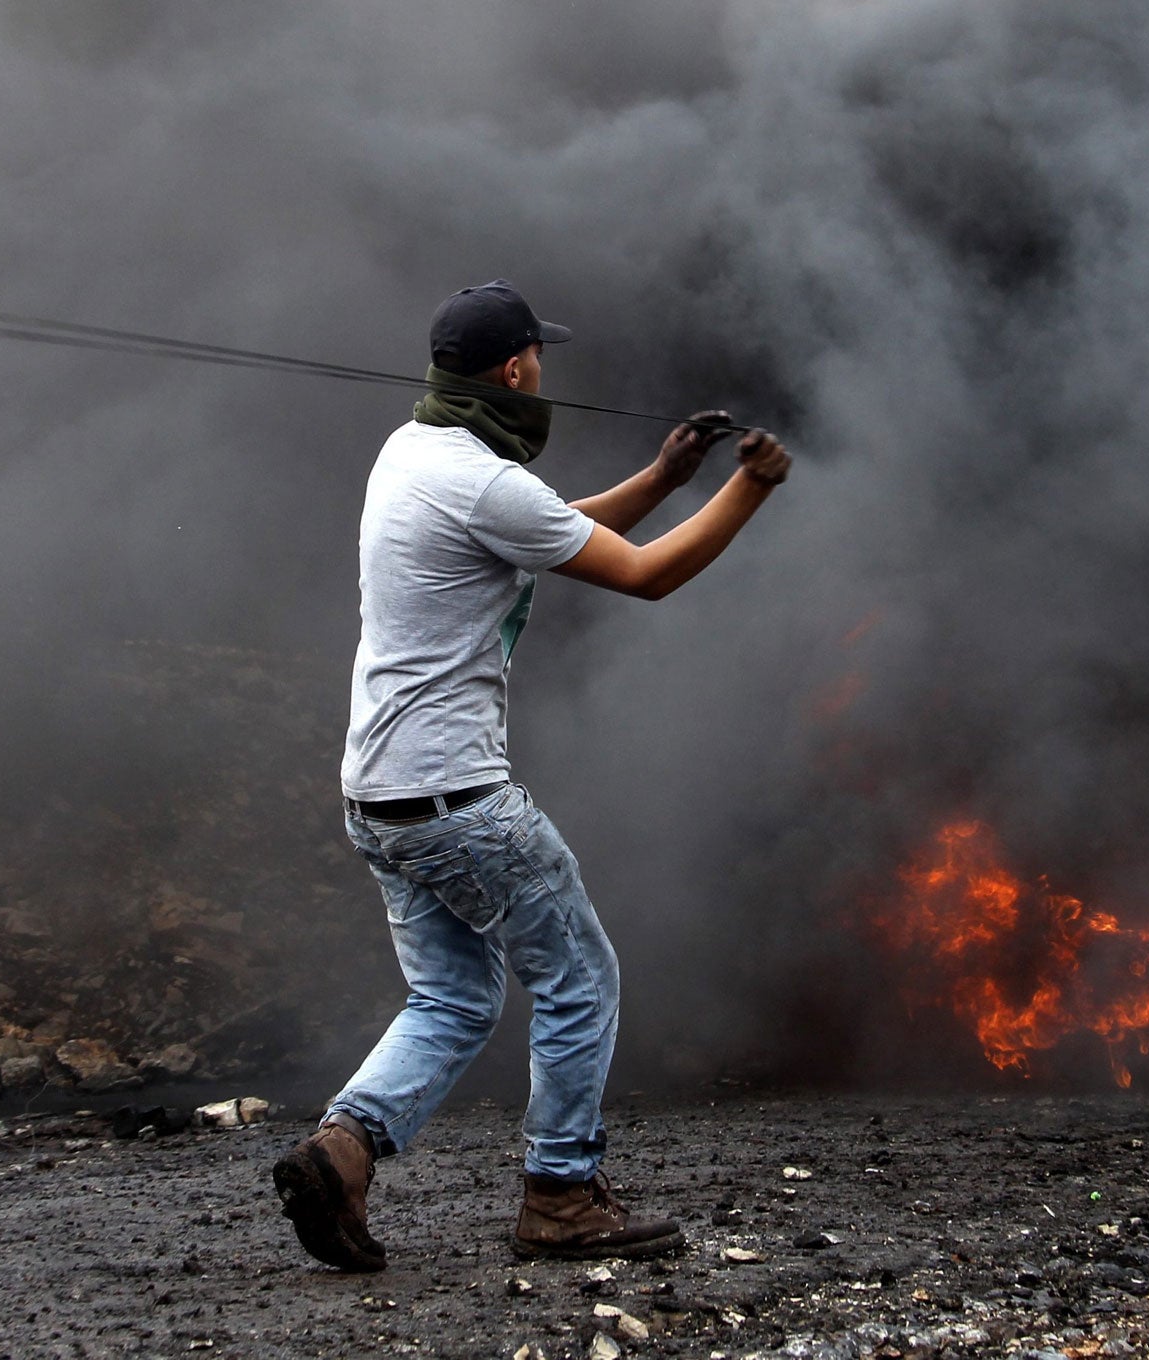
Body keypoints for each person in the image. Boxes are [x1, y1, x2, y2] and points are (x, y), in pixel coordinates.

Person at [272, 279, 791, 1272]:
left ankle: (340, 1154)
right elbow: (643, 574)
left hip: (376, 796)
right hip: (455, 800)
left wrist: (665, 476)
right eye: (537, 356)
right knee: (580, 978)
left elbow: (552, 532)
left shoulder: (413, 453)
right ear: (515, 369)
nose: (544, 369)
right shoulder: (479, 478)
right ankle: (560, 1195)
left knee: (455, 998)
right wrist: (749, 485)